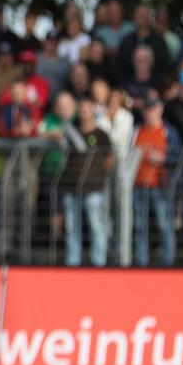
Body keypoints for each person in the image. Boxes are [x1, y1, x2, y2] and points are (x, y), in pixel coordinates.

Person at [61, 100, 112, 267]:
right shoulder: (71, 133)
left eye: (87, 109)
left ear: (93, 112)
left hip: (94, 187)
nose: (83, 112)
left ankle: (99, 263)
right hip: (71, 186)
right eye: (81, 109)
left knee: (97, 227)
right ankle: (73, 262)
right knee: (71, 228)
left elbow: (109, 159)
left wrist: (97, 175)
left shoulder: (101, 135)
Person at [132, 101, 176, 267]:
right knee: (139, 226)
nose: (149, 112)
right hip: (138, 183)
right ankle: (141, 263)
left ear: (160, 109)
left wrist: (163, 158)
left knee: (165, 225)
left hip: (160, 185)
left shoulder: (168, 132)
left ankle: (168, 263)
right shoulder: (136, 131)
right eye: (147, 109)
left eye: (152, 109)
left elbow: (178, 156)